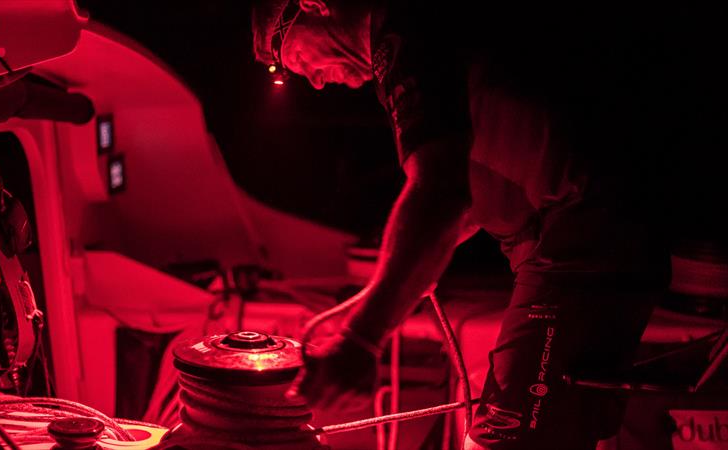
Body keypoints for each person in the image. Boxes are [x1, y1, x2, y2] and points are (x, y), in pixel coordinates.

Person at [252, 1, 675, 449]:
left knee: (502, 440)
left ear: (312, 5)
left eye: (289, 57)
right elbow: (472, 189)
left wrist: (361, 338)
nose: (314, 82)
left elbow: (440, 190)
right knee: (555, 430)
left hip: (585, 238)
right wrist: (410, 268)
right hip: (581, 238)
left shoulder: (408, 31)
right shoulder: (409, 49)